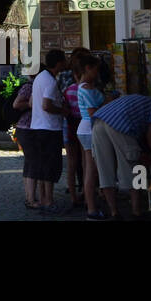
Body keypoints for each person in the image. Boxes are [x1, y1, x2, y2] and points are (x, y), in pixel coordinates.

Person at [91, 92, 151, 219]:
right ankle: (136, 212)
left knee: (105, 170)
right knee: (134, 167)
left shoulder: (137, 102)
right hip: (119, 123)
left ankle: (114, 212)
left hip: (98, 122)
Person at [29, 49, 69, 214]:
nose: (66, 63)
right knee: (51, 167)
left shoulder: (40, 77)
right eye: (64, 61)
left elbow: (33, 103)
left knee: (42, 166)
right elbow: (46, 105)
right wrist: (62, 110)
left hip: (37, 127)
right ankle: (49, 201)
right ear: (58, 63)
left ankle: (44, 198)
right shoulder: (51, 82)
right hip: (49, 128)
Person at [76, 56, 106, 220]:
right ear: (87, 68)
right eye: (95, 69)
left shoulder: (86, 86)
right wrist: (107, 102)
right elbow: (92, 113)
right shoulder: (86, 88)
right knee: (91, 171)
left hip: (87, 129)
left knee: (91, 169)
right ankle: (92, 209)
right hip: (90, 129)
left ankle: (92, 206)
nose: (97, 73)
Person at [63, 53, 86, 209]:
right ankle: (85, 191)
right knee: (86, 162)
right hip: (84, 127)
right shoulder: (88, 90)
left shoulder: (68, 90)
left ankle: (72, 196)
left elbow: (65, 108)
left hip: (69, 127)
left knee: (71, 164)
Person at [12, 77, 37, 209]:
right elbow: (16, 104)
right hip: (27, 128)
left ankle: (29, 196)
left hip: (26, 128)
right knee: (32, 163)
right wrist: (32, 104)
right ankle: (31, 198)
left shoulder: (31, 86)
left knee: (29, 163)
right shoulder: (29, 87)